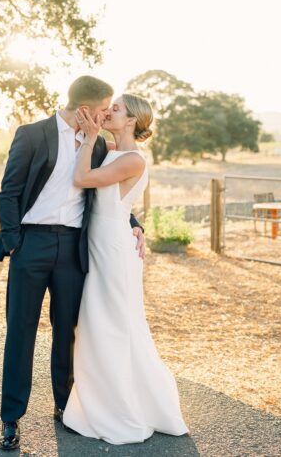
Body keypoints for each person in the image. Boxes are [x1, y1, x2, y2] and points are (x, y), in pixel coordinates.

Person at [0, 76, 146, 451]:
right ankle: (11, 418)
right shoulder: (31, 134)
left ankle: (66, 407)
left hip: (75, 249)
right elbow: (9, 192)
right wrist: (14, 243)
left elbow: (109, 194)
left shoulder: (99, 147)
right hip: (31, 244)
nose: (107, 114)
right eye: (104, 108)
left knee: (68, 332)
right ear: (85, 110)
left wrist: (135, 224)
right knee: (21, 331)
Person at [62, 93, 189, 444]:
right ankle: (99, 401)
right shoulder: (110, 149)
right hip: (101, 243)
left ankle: (121, 410)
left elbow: (83, 179)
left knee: (112, 325)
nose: (108, 112)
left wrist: (89, 139)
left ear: (131, 120)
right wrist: (91, 137)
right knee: (98, 324)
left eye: (115, 109)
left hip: (115, 251)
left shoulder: (132, 159)